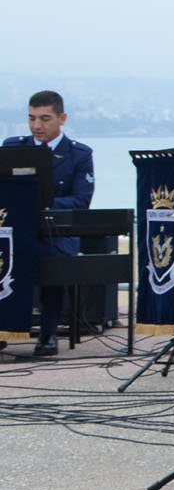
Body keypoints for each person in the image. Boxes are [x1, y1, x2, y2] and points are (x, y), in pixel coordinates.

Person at [6, 91, 95, 357]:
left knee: (51, 258)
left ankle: (48, 331)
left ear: (62, 118)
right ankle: (4, 327)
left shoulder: (78, 154)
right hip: (17, 232)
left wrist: (42, 204)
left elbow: (81, 200)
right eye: (32, 118)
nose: (37, 126)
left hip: (56, 233)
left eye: (45, 119)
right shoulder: (13, 148)